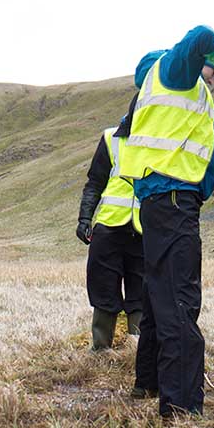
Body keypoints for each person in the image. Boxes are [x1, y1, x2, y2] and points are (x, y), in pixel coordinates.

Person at [117, 24, 214, 416]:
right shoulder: (172, 72)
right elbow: (203, 35)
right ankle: (182, 406)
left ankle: (151, 382)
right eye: (209, 69)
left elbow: (203, 156)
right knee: (180, 300)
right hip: (172, 202)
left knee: (161, 297)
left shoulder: (181, 98)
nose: (210, 74)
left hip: (166, 202)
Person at [76, 126, 144, 350]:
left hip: (144, 230)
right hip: (109, 227)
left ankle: (137, 350)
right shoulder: (111, 138)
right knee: (103, 287)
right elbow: (95, 182)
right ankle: (101, 349)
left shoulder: (160, 136)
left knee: (142, 292)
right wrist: (84, 218)